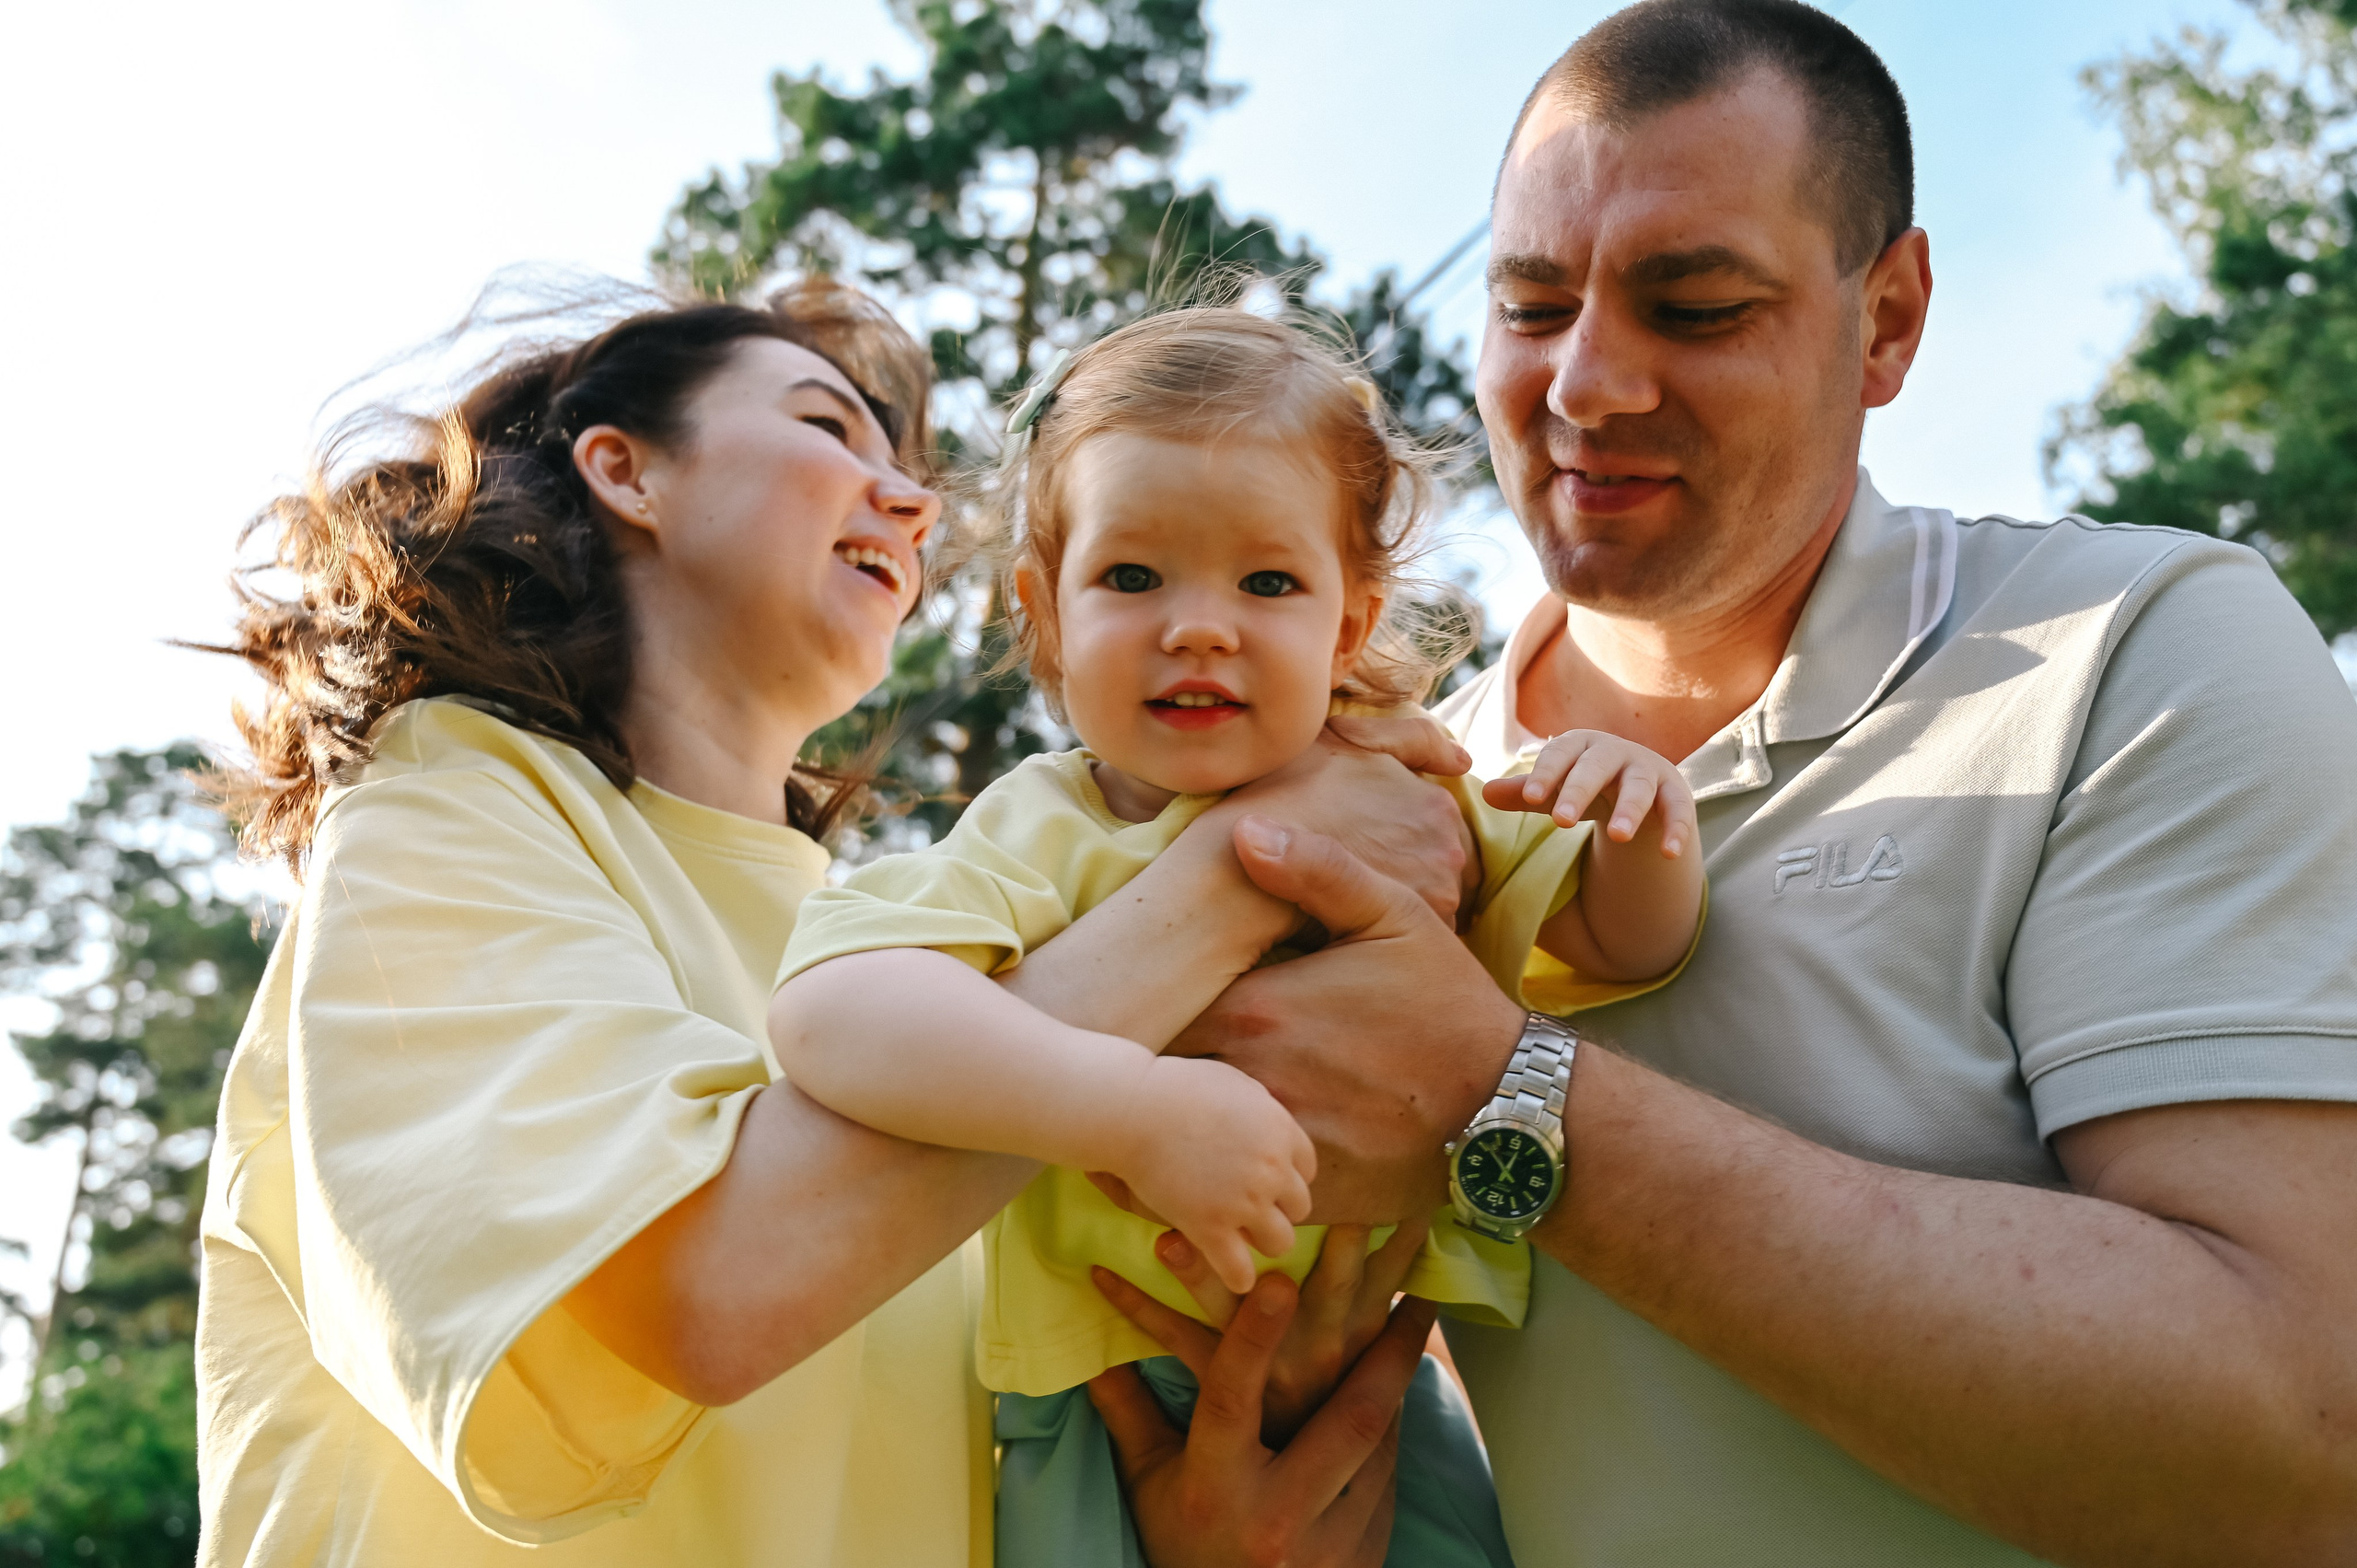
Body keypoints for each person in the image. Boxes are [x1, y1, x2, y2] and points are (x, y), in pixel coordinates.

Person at [1086, 2, 2357, 1563]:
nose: (1585, 388)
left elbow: (2302, 1440)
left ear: (1887, 320)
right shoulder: (1368, 795)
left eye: (1693, 307)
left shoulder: (2143, 648)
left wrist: (1505, 1098)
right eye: (1532, 303)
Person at [192, 277, 1469, 1567]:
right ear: (628, 472)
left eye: (906, 463)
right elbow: (707, 1299)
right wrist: (1261, 866)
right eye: (829, 428)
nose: (913, 500)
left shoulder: (906, 941)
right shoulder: (447, 802)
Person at [769, 306, 1705, 1566]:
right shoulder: (1046, 827)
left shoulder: (1410, 805)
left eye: (1267, 582)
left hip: (1385, 1394)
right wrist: (1125, 1109)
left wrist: (1646, 819)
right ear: (1048, 614)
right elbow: (834, 1016)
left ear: (1349, 622)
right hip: (1102, 1401)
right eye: (1132, 577)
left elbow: (1618, 941)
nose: (1198, 625)